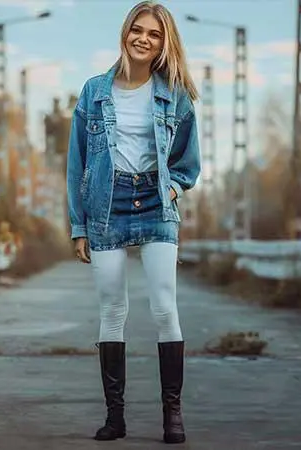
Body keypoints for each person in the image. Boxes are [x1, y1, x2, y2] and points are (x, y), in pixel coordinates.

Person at [65, 1, 200, 444]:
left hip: (156, 203)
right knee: (113, 310)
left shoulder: (174, 94)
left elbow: (187, 163)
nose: (144, 38)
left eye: (154, 34)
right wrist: (78, 225)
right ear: (126, 33)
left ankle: (172, 416)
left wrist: (174, 189)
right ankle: (115, 417)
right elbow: (76, 163)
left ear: (165, 43)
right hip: (106, 203)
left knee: (164, 307)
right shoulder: (93, 91)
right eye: (137, 30)